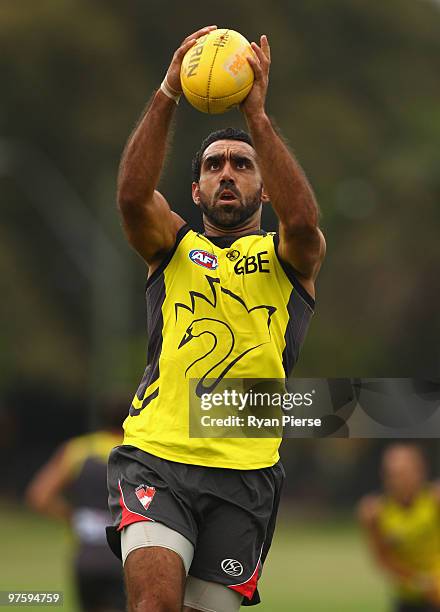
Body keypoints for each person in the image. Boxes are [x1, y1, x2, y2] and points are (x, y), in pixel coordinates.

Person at [106, 25, 326, 612]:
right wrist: (167, 92)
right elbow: (131, 197)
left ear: (266, 187)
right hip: (158, 455)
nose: (226, 172)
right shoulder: (172, 246)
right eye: (213, 166)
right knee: (154, 605)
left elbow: (305, 225)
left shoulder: (287, 258)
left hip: (245, 472)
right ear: (197, 191)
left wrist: (259, 118)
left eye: (242, 165)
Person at [26, 404, 126, 612]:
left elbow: (39, 496)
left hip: (86, 557)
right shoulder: (135, 450)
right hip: (125, 554)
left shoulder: (79, 450)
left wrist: (74, 518)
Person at [358, 443, 440, 612]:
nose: (400, 479)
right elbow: (382, 558)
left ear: (421, 471)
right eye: (393, 474)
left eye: (405, 472)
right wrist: (420, 582)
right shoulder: (374, 513)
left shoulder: (434, 501)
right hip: (408, 598)